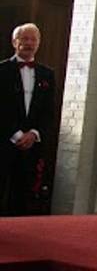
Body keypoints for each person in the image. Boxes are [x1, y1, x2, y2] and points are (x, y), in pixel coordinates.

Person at [1, 23, 55, 216]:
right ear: (15, 42)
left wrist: (34, 133)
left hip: (32, 144)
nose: (29, 43)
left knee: (23, 193)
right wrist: (15, 135)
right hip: (4, 141)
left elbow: (49, 111)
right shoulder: (2, 70)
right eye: (25, 39)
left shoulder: (47, 74)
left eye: (33, 39)